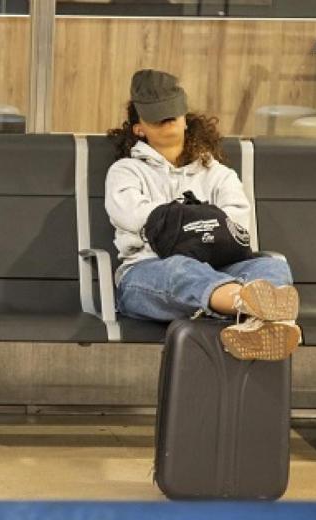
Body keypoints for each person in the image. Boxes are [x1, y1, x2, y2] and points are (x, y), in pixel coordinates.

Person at [105, 69, 300, 361]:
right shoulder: (126, 171)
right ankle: (258, 312)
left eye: (171, 112)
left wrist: (178, 222)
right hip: (148, 274)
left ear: (185, 119)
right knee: (180, 268)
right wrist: (206, 221)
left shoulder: (218, 174)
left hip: (223, 268)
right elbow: (133, 214)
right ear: (138, 128)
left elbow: (236, 226)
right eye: (156, 116)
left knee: (271, 267)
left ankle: (256, 322)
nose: (167, 119)